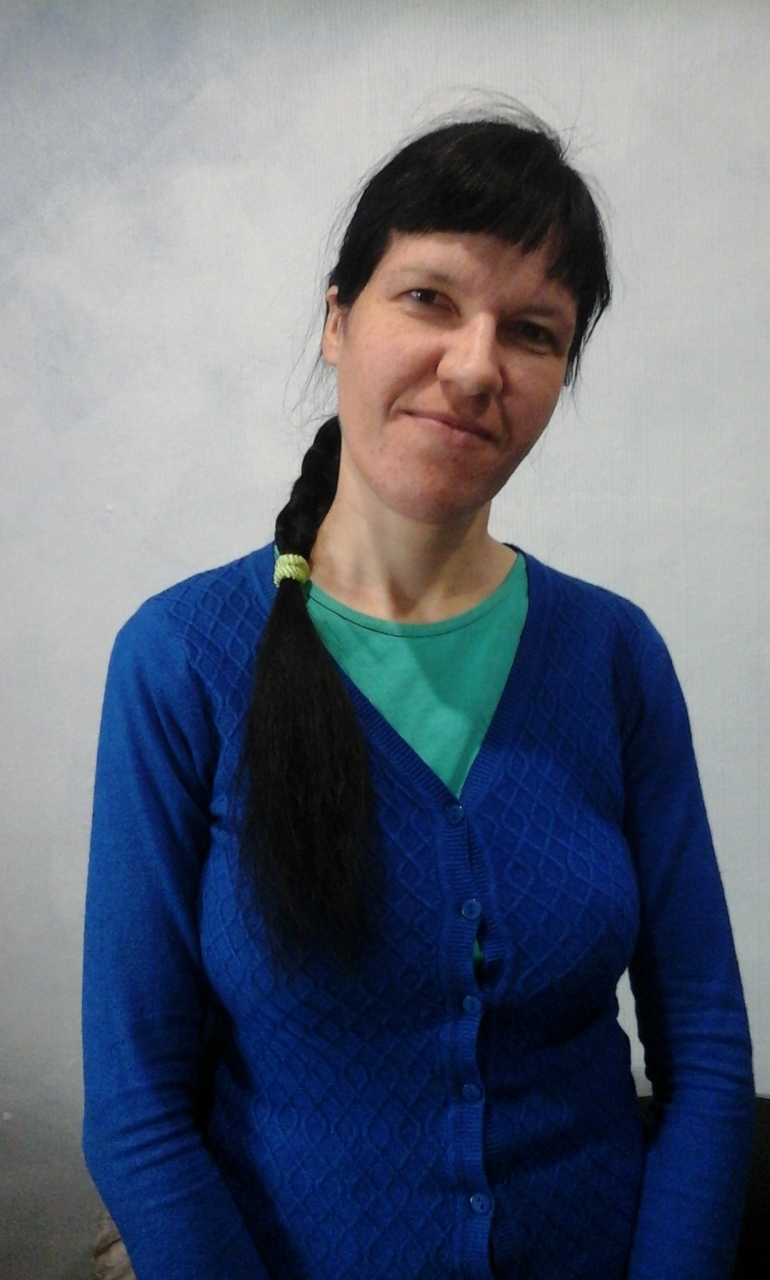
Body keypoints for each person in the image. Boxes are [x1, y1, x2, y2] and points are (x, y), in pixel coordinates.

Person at [82, 112, 754, 1280]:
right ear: (338, 318)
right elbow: (136, 1107)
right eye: (429, 298)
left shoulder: (611, 656)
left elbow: (703, 1048)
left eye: (532, 331)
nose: (476, 364)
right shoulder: (181, 660)